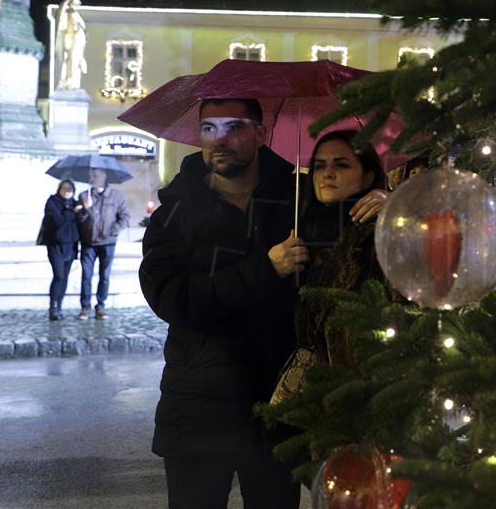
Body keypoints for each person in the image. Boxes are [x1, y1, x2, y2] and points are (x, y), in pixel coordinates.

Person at [138, 99, 387, 509]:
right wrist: (263, 270)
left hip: (278, 410)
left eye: (235, 127)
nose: (221, 139)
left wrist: (386, 200)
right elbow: (173, 299)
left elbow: (353, 220)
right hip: (197, 411)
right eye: (210, 128)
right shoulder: (174, 213)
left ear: (260, 132)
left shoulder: (299, 197)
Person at [272, 130, 390, 403]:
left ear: (369, 176)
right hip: (300, 393)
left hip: (359, 393)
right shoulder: (301, 227)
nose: (327, 173)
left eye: (342, 164)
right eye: (320, 165)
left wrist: (397, 205)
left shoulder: (378, 234)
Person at [76, 169, 130, 320]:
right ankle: (85, 307)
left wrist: (113, 231)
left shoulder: (117, 196)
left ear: (104, 177)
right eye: (91, 176)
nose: (92, 178)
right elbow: (78, 221)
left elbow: (125, 217)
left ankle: (100, 306)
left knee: (104, 276)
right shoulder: (83, 196)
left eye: (95, 176)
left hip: (108, 242)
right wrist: (85, 208)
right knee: (86, 275)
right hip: (88, 242)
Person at [42, 179, 82, 321]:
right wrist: (72, 212)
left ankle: (59, 307)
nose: (67, 192)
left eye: (70, 189)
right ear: (59, 189)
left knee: (64, 277)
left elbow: (80, 223)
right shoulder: (52, 202)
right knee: (58, 275)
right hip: (55, 246)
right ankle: (52, 307)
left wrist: (83, 210)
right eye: (64, 189)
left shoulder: (75, 203)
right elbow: (58, 222)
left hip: (70, 246)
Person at [55, 0, 87, 90]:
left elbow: (82, 30)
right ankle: (64, 81)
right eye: (76, 3)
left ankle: (72, 82)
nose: (78, 5)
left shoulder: (77, 15)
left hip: (77, 42)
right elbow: (62, 27)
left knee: (75, 62)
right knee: (67, 61)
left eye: (78, 3)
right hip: (69, 40)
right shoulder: (66, 15)